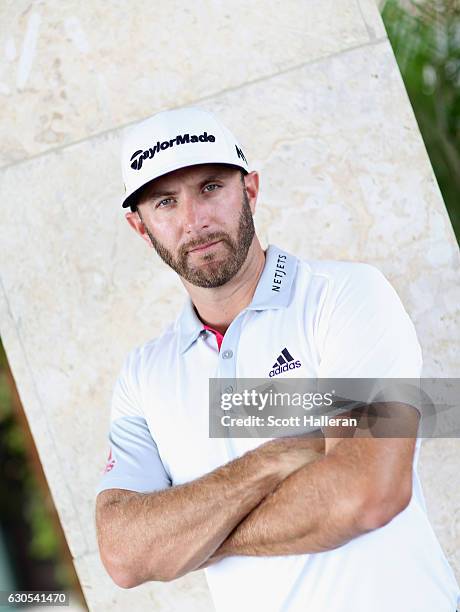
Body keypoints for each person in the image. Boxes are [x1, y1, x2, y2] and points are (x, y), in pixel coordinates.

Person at [95, 107, 460, 612]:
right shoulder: (143, 377)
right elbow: (124, 554)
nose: (194, 220)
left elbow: (371, 490)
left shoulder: (345, 296)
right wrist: (275, 458)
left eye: (210, 187)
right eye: (165, 202)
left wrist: (193, 540)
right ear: (140, 228)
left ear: (250, 189)